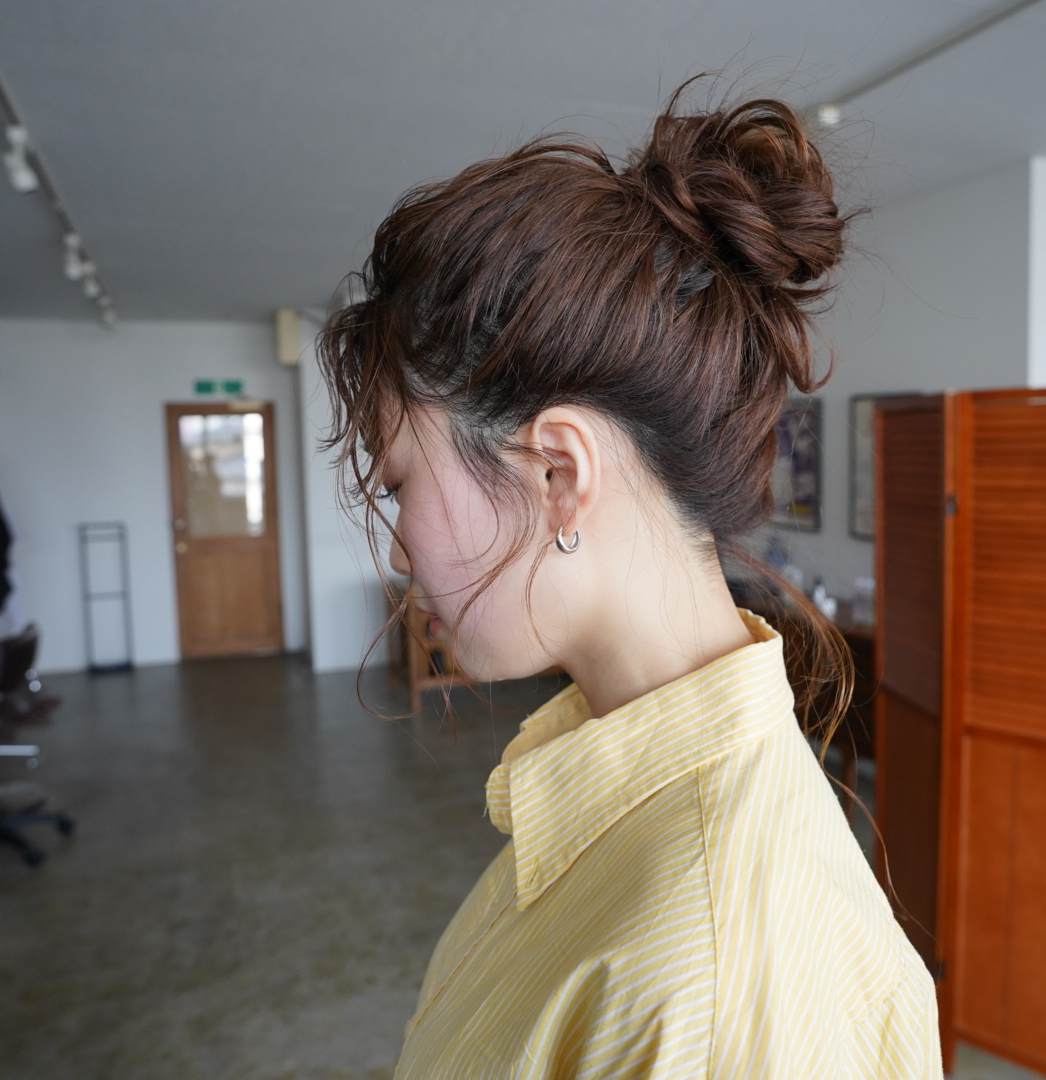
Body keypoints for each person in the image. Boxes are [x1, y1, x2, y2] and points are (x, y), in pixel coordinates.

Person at [320, 83, 942, 1079]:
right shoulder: (610, 797)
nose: (397, 551)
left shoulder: (718, 979)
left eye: (400, 484)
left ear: (558, 475)